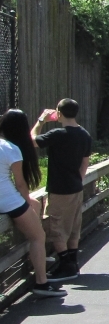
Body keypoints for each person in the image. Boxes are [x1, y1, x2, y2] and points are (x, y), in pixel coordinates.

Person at [0, 110, 65, 297]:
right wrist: (25, 202)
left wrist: (29, 204)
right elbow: (20, 184)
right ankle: (41, 283)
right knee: (38, 236)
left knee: (35, 204)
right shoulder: (11, 149)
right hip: (7, 200)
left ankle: (36, 258)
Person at [32, 98, 92, 283]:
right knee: (73, 227)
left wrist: (41, 121)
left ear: (58, 113)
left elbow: (32, 140)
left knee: (56, 228)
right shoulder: (85, 135)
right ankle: (73, 262)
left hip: (59, 189)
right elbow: (85, 162)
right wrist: (77, 180)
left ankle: (66, 266)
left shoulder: (58, 134)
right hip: (76, 187)